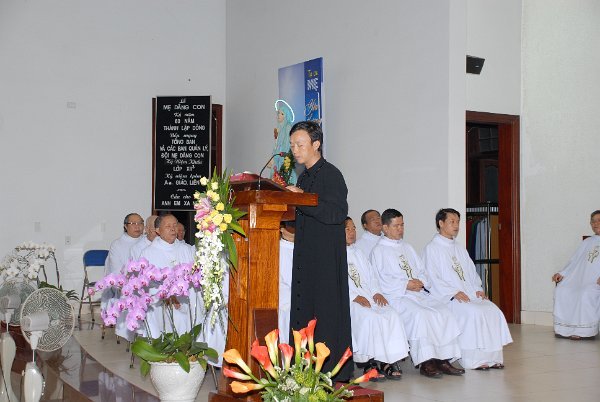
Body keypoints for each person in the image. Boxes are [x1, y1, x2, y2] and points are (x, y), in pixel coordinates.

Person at [286, 120, 353, 380]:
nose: (295, 150)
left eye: (299, 144)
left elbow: (336, 213)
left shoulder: (331, 175)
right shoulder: (303, 177)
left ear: (316, 144)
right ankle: (302, 369)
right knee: (305, 311)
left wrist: (301, 198)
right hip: (305, 254)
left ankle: (328, 371)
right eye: (292, 145)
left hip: (325, 258)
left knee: (325, 314)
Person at [370, 209, 463, 378]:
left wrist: (421, 281)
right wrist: (406, 284)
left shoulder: (407, 247)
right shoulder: (378, 251)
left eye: (402, 225)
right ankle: (426, 362)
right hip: (397, 297)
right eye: (396, 226)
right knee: (421, 315)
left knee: (443, 311)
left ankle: (443, 359)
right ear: (385, 227)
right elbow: (381, 281)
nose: (400, 229)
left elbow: (422, 270)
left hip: (418, 294)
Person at [423, 208, 513, 370]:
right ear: (441, 223)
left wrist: (478, 288)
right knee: (473, 312)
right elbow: (432, 278)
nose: (456, 225)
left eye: (458, 222)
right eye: (452, 222)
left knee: (492, 310)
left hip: (469, 293)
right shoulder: (432, 248)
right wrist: (453, 293)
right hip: (448, 298)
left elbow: (471, 272)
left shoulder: (459, 247)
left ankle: (492, 358)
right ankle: (473, 360)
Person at [345, 217, 409, 381]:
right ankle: (370, 363)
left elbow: (372, 276)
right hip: (349, 301)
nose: (352, 232)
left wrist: (376, 292)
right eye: (347, 229)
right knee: (370, 318)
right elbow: (334, 282)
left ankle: (388, 361)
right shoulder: (333, 255)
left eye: (353, 229)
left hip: (369, 296)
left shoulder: (358, 252)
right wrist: (354, 296)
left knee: (391, 315)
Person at [140, 214, 197, 337]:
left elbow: (193, 274)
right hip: (161, 301)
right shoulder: (148, 253)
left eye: (175, 225)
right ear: (158, 230)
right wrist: (168, 295)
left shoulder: (185, 249)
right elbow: (147, 282)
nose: (173, 229)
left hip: (185, 299)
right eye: (168, 226)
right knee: (173, 322)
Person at [552, 210, 600, 339]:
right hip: (580, 279)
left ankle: (584, 332)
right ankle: (564, 329)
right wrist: (562, 273)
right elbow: (574, 261)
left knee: (585, 293)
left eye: (599, 220)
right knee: (562, 290)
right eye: (593, 221)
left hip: (595, 281)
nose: (595, 223)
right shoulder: (587, 242)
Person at [103, 213, 145, 311]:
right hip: (125, 286)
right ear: (125, 226)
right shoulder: (117, 245)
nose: (137, 226)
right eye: (133, 223)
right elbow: (116, 270)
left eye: (140, 223)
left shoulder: (147, 242)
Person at [271, 99, 297, 185]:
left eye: (282, 114)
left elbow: (287, 144)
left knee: (284, 177)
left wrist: (282, 154)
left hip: (284, 156)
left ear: (286, 115)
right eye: (278, 113)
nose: (279, 115)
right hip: (278, 155)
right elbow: (277, 144)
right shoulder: (279, 128)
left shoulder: (288, 127)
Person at [278, 226, 295, 344]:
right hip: (284, 296)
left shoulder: (303, 247)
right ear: (282, 229)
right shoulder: (278, 248)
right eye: (290, 227)